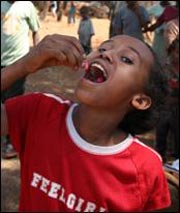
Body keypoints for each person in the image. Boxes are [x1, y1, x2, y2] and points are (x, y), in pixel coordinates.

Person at [1, 34, 171, 212]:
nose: (105, 54)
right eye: (104, 48)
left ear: (140, 100)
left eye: (126, 59)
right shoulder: (39, 111)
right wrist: (24, 65)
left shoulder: (146, 168)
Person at [1, 1, 40, 159]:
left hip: (17, 62)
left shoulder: (27, 6)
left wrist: (38, 54)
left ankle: (12, 142)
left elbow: (35, 30)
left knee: (12, 101)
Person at [155, 38, 179, 163]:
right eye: (177, 52)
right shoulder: (165, 67)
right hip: (165, 107)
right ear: (171, 52)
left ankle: (176, 161)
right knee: (161, 133)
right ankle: (160, 158)